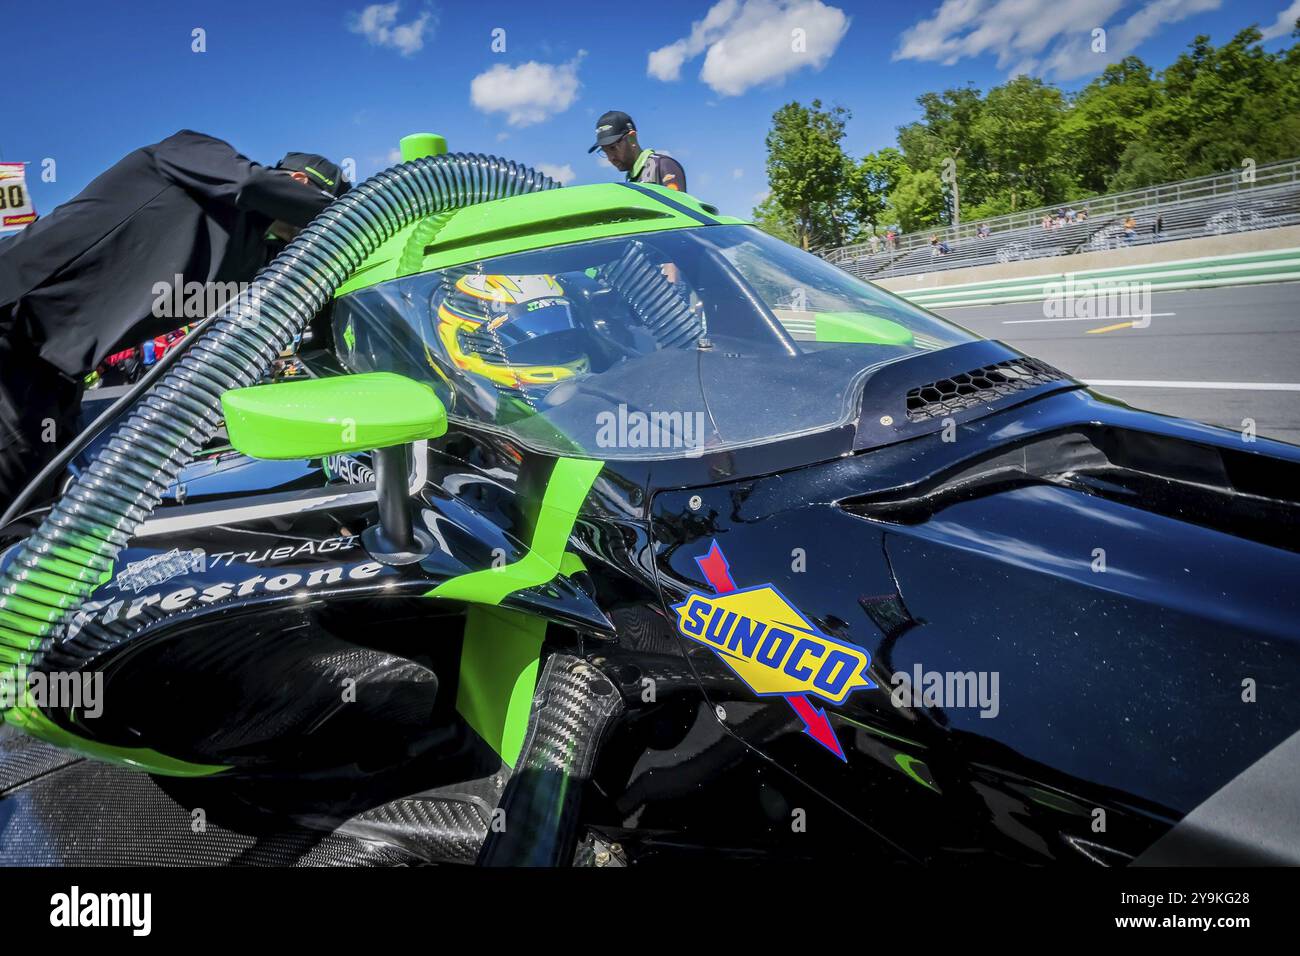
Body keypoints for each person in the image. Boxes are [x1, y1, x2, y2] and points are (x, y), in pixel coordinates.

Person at [0, 130, 351, 506]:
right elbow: (251, 184)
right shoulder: (184, 152)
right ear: (299, 184)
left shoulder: (253, 258)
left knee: (34, 505)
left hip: (58, 371)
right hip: (12, 316)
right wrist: (354, 218)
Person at [588, 111, 687, 193]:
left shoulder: (663, 165)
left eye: (613, 148)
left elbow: (682, 210)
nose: (610, 158)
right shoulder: (631, 179)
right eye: (605, 151)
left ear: (632, 138)